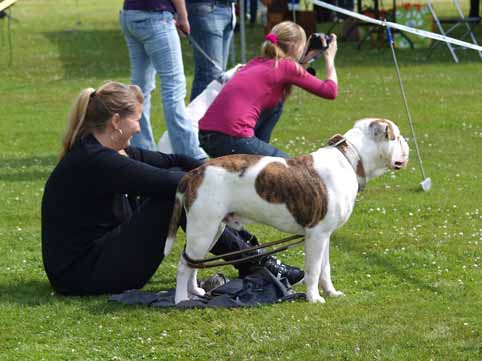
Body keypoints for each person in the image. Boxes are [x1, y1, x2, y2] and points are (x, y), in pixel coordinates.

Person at [41, 81, 303, 296]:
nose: (140, 127)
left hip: (94, 260)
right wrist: (226, 184)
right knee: (177, 195)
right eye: (137, 120)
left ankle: (256, 261)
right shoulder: (96, 161)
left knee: (189, 185)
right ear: (116, 121)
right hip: (82, 276)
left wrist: (222, 168)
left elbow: (175, 160)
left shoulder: (110, 152)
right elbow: (176, 183)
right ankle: (258, 262)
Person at [198, 21, 338, 159]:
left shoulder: (256, 62)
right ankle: (260, 162)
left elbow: (287, 71)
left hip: (207, 135)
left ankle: (258, 160)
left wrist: (305, 58)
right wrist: (329, 58)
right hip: (232, 137)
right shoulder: (287, 67)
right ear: (295, 46)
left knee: (276, 106)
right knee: (288, 169)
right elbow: (330, 91)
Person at [119, 0, 206, 159]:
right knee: (173, 89)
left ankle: (142, 153)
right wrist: (183, 15)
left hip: (130, 14)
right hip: (155, 15)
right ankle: (191, 156)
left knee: (139, 90)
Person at [186, 0, 236, 101]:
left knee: (216, 78)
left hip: (228, 9)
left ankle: (202, 116)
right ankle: (198, 116)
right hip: (206, 8)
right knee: (210, 76)